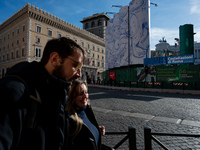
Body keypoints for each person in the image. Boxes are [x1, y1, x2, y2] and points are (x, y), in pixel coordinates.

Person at [0, 37, 86, 150]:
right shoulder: (14, 91)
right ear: (55, 59)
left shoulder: (60, 94)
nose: (79, 74)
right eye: (76, 66)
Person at [65, 80, 105, 150]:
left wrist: (96, 129)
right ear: (72, 96)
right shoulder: (70, 121)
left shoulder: (87, 110)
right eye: (80, 94)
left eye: (86, 92)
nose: (85, 96)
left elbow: (86, 129)